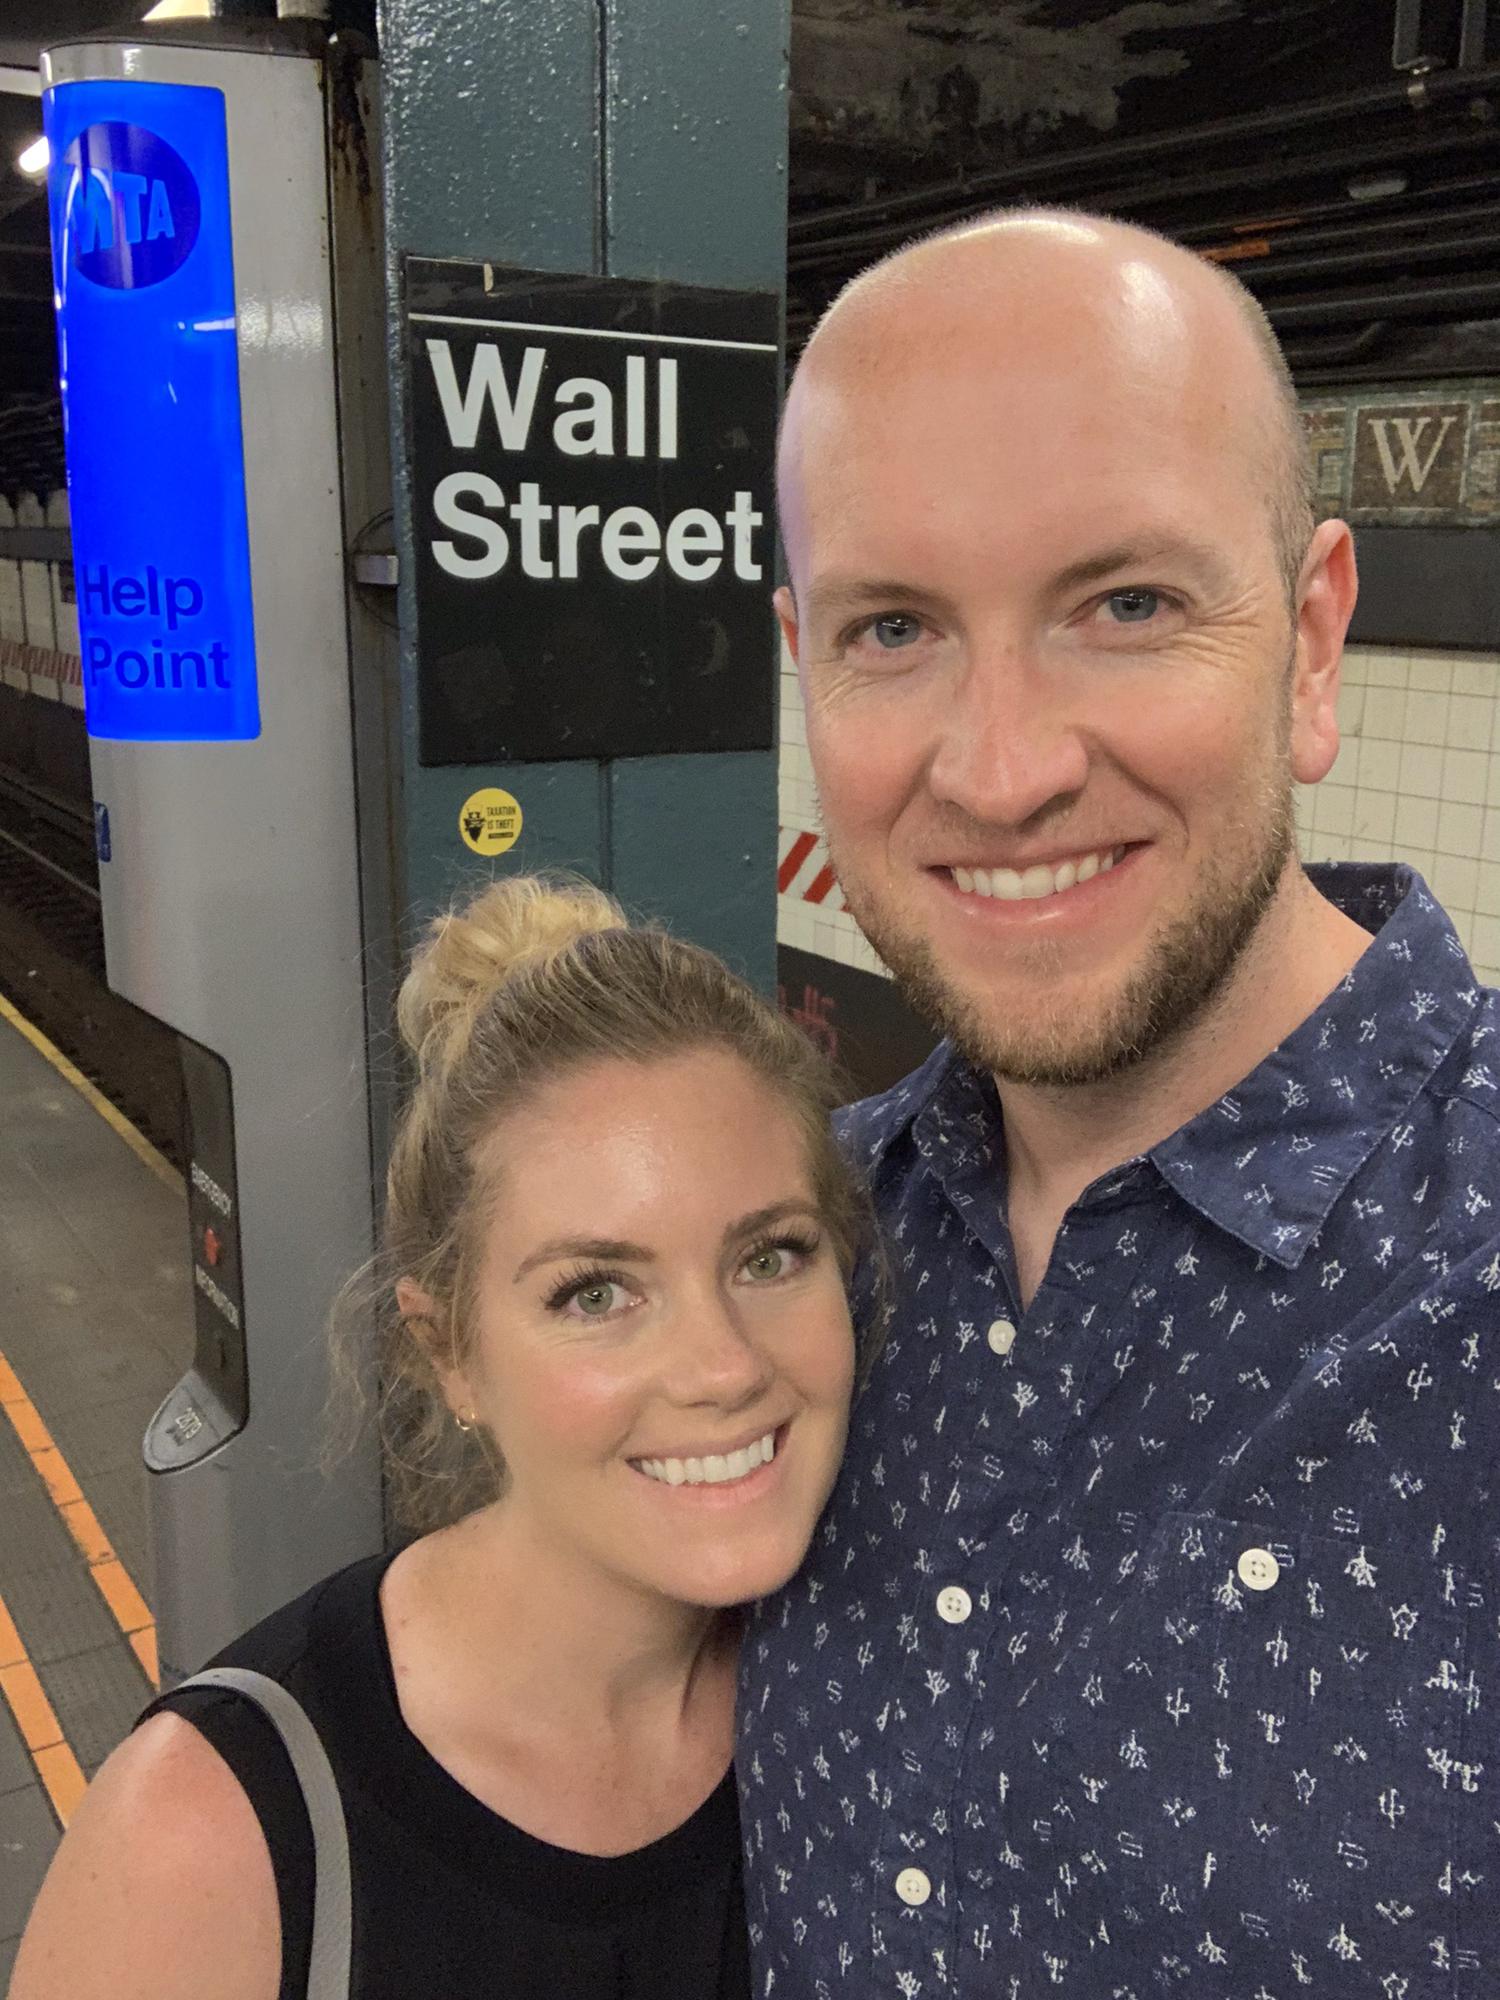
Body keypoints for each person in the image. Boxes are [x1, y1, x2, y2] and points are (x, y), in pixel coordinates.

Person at [742, 207, 1500, 1997]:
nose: (1001, 770)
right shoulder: (793, 1262)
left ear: (1311, 647)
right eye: (896, 628)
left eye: (1127, 604)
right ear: (805, 663)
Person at [12, 876, 865, 2000]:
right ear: (449, 1350)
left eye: (771, 1255)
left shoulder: (874, 1691)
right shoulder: (208, 1836)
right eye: (596, 1290)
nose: (725, 1367)